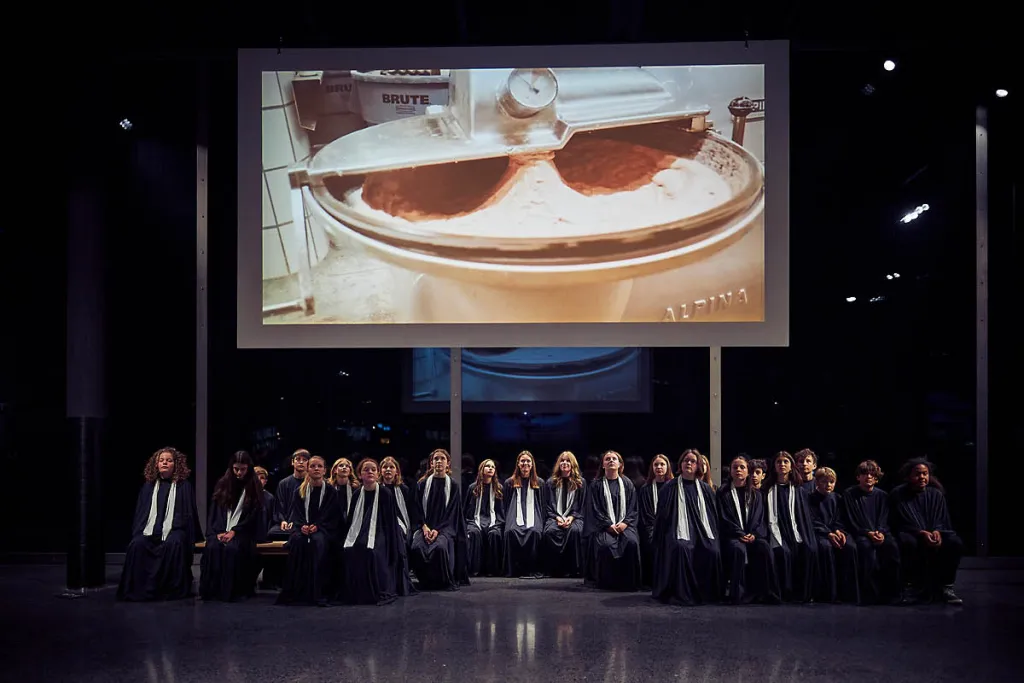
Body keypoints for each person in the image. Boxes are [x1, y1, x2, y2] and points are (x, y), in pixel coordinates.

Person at [117, 447, 201, 602]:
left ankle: (169, 590)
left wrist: (173, 528)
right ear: (156, 464)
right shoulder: (148, 486)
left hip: (175, 529)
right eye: (161, 460)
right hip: (150, 529)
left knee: (174, 543)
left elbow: (187, 514)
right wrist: (145, 531)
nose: (165, 463)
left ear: (176, 464)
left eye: (169, 460)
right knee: (137, 544)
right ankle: (138, 588)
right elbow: (141, 514)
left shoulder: (183, 486)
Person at [650, 449, 722, 604]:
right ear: (680, 464)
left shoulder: (705, 489)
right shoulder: (669, 487)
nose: (689, 463)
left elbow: (712, 517)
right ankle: (682, 593)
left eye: (693, 461)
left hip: (701, 531)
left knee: (712, 550)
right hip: (675, 530)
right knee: (681, 548)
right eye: (685, 460)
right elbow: (662, 517)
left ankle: (707, 593)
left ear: (698, 465)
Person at [889, 458, 964, 605]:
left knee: (955, 542)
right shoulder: (898, 494)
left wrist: (937, 531)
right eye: (918, 474)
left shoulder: (936, 494)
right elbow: (898, 521)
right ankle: (910, 588)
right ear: (909, 476)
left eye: (925, 473)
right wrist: (920, 532)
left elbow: (942, 519)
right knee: (908, 543)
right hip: (910, 533)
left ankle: (946, 587)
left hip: (934, 533)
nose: (922, 477)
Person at [336, 458, 403, 605]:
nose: (370, 472)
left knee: (371, 551)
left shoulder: (385, 493)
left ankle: (374, 592)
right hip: (359, 531)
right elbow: (351, 521)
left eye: (373, 469)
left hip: (381, 531)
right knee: (350, 549)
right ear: (360, 475)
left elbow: (390, 522)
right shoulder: (357, 494)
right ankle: (356, 592)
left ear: (378, 474)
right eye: (366, 470)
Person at [276, 455, 341, 606]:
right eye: (312, 466)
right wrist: (302, 526)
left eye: (319, 466)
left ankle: (318, 592)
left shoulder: (331, 492)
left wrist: (318, 526)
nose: (316, 469)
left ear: (324, 470)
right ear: (307, 469)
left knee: (318, 542)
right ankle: (298, 592)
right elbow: (296, 514)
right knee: (298, 541)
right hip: (303, 528)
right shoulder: (299, 491)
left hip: (324, 529)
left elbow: (333, 516)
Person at [200, 451, 263, 601]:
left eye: (243, 469)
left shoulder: (254, 486)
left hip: (244, 532)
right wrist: (218, 532)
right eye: (236, 469)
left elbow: (253, 516)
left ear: (248, 468)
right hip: (222, 529)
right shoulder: (223, 484)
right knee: (213, 546)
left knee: (233, 549)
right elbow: (215, 512)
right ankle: (213, 592)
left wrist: (235, 531)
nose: (239, 473)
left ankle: (232, 592)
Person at [841, 460, 901, 604]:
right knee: (866, 550)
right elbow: (851, 519)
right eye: (864, 474)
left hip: (881, 533)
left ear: (876, 478)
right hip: (860, 533)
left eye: (872, 474)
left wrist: (880, 532)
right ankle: (870, 595)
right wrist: (868, 533)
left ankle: (893, 594)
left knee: (892, 548)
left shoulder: (882, 496)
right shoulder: (849, 494)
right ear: (858, 477)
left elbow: (885, 517)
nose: (868, 477)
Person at [717, 455, 774, 604]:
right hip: (732, 536)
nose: (738, 470)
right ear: (730, 471)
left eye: (742, 467)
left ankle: (762, 593)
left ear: (748, 471)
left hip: (752, 535)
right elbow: (723, 518)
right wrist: (739, 534)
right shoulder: (723, 493)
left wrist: (754, 534)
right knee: (739, 549)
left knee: (764, 547)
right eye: (735, 467)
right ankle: (738, 594)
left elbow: (760, 518)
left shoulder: (756, 494)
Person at [763, 451, 817, 603]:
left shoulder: (799, 490)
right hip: (776, 531)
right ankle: (785, 593)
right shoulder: (767, 489)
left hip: (796, 531)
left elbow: (804, 517)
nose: (782, 465)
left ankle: (803, 594)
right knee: (783, 551)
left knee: (809, 549)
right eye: (779, 462)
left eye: (785, 462)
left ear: (791, 466)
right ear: (774, 466)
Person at [409, 449, 468, 590]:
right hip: (424, 527)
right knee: (417, 547)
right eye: (436, 459)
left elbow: (452, 513)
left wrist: (437, 530)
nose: (439, 461)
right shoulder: (422, 484)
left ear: (448, 463)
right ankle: (424, 582)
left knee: (439, 547)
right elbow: (416, 509)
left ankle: (441, 581)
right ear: (431, 463)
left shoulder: (453, 486)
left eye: (442, 459)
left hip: (445, 528)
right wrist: (424, 527)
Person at [588, 450, 642, 591]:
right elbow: (594, 509)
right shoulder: (596, 485)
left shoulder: (627, 484)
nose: (611, 461)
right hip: (603, 527)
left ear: (620, 464)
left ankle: (629, 583)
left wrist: (625, 523)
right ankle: (607, 584)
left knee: (631, 543)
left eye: (614, 459)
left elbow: (633, 508)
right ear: (603, 465)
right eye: (607, 459)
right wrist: (607, 525)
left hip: (625, 525)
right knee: (606, 545)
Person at [807, 467, 859, 604]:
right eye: (824, 482)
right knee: (826, 548)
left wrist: (838, 531)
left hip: (836, 531)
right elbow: (812, 520)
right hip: (819, 533)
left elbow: (841, 518)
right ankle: (829, 594)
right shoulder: (810, 499)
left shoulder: (838, 498)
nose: (828, 485)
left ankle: (847, 593)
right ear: (817, 482)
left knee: (850, 547)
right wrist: (828, 533)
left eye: (831, 482)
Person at [543, 451, 586, 577]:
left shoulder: (580, 483)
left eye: (568, 461)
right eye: (562, 461)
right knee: (550, 531)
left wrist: (571, 518)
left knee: (575, 531)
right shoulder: (551, 483)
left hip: (575, 517)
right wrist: (557, 518)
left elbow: (582, 505)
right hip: (554, 516)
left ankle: (574, 569)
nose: (565, 463)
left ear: (573, 464)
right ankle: (555, 570)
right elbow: (547, 505)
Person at [503, 451, 545, 578]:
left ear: (532, 464)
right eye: (522, 461)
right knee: (511, 531)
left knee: (535, 531)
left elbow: (542, 504)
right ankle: (514, 570)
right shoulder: (509, 482)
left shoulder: (539, 483)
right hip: (514, 515)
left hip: (534, 514)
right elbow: (506, 503)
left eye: (528, 461)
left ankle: (532, 569)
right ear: (518, 464)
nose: (525, 463)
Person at [380, 456, 418, 596]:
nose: (388, 470)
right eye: (385, 467)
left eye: (391, 467)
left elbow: (411, 511)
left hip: (400, 525)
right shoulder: (377, 489)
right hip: (381, 524)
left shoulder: (404, 489)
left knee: (398, 536)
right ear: (380, 471)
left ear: (397, 471)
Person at [464, 459, 505, 577]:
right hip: (475, 520)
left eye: (493, 467)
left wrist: (498, 523)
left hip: (494, 520)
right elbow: (466, 509)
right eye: (487, 466)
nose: (490, 468)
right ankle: (474, 569)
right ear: (482, 469)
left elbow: (501, 511)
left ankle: (492, 570)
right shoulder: (473, 488)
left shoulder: (498, 488)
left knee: (494, 534)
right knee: (474, 532)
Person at [638, 454, 673, 587]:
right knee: (651, 541)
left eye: (662, 464)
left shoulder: (674, 487)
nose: (659, 467)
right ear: (652, 468)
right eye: (656, 465)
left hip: (670, 527)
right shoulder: (645, 489)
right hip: (651, 527)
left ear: (668, 467)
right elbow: (646, 515)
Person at [269, 449, 309, 541]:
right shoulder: (283, 483)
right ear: (292, 462)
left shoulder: (312, 483)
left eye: (304, 460)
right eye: (298, 459)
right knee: (272, 533)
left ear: (308, 463)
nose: (301, 462)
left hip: (304, 524)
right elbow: (279, 506)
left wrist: (297, 522)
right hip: (288, 523)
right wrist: (283, 521)